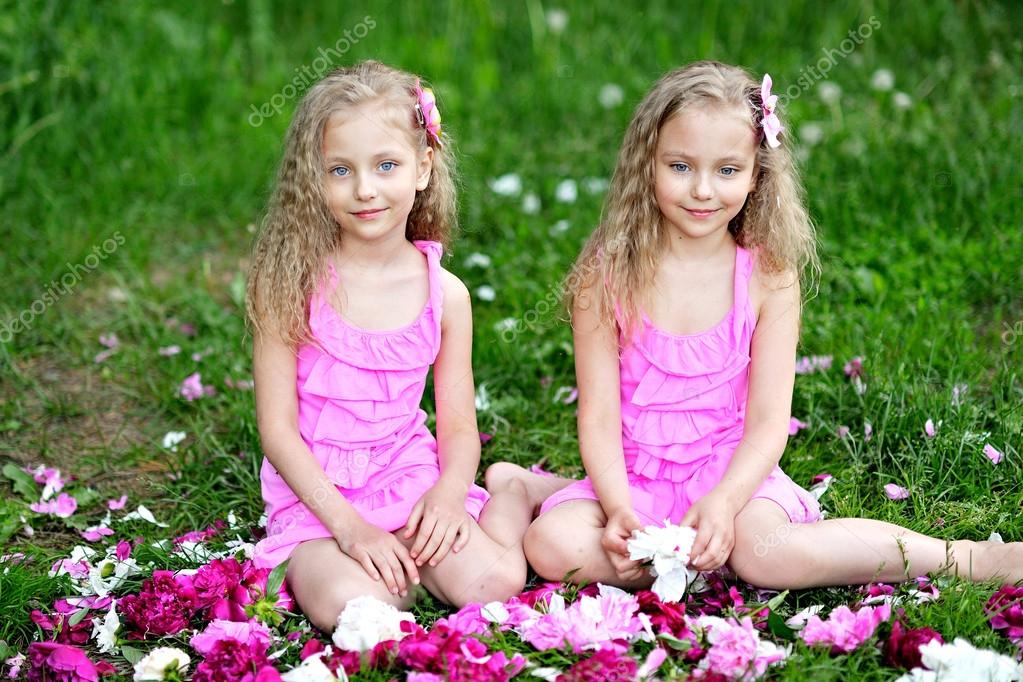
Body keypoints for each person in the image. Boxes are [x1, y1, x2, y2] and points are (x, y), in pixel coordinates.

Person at [523, 61, 1022, 590]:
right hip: (632, 475)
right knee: (552, 545)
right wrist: (619, 508)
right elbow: (598, 420)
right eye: (680, 166)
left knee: (769, 557)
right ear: (647, 163)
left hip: (731, 472)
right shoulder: (606, 276)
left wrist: (724, 502)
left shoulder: (768, 280)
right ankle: (673, 556)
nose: (703, 191)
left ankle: (963, 557)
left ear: (758, 173)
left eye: (727, 170)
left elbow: (766, 425)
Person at [245, 61, 556, 631]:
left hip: (405, 476)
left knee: (495, 582)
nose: (365, 189)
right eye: (340, 170)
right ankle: (358, 558)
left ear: (422, 167)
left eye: (386, 165)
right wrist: (349, 527)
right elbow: (279, 431)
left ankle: (511, 486)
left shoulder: (445, 295)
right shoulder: (288, 284)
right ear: (314, 177)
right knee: (361, 608)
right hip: (319, 499)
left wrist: (447, 493)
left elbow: (458, 426)